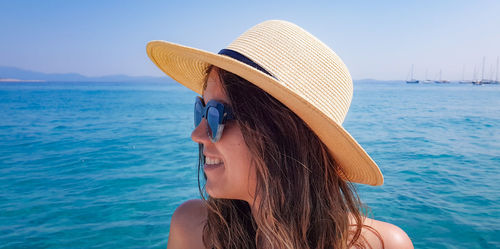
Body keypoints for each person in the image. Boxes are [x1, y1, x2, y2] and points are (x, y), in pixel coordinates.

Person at [146, 20, 413, 249]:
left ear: (282, 133)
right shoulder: (191, 228)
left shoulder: (385, 244)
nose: (197, 134)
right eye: (201, 110)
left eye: (217, 114)